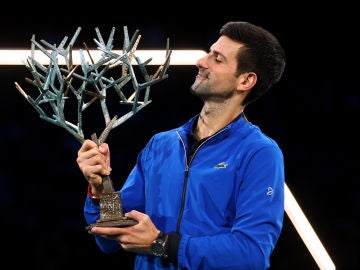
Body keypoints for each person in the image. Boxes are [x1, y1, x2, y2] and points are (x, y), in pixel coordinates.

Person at [77, 21, 286, 269]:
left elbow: (251, 254)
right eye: (209, 52)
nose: (202, 62)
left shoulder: (259, 153)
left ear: (246, 81)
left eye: (217, 59)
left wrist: (161, 243)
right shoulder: (161, 144)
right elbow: (110, 238)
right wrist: (102, 189)